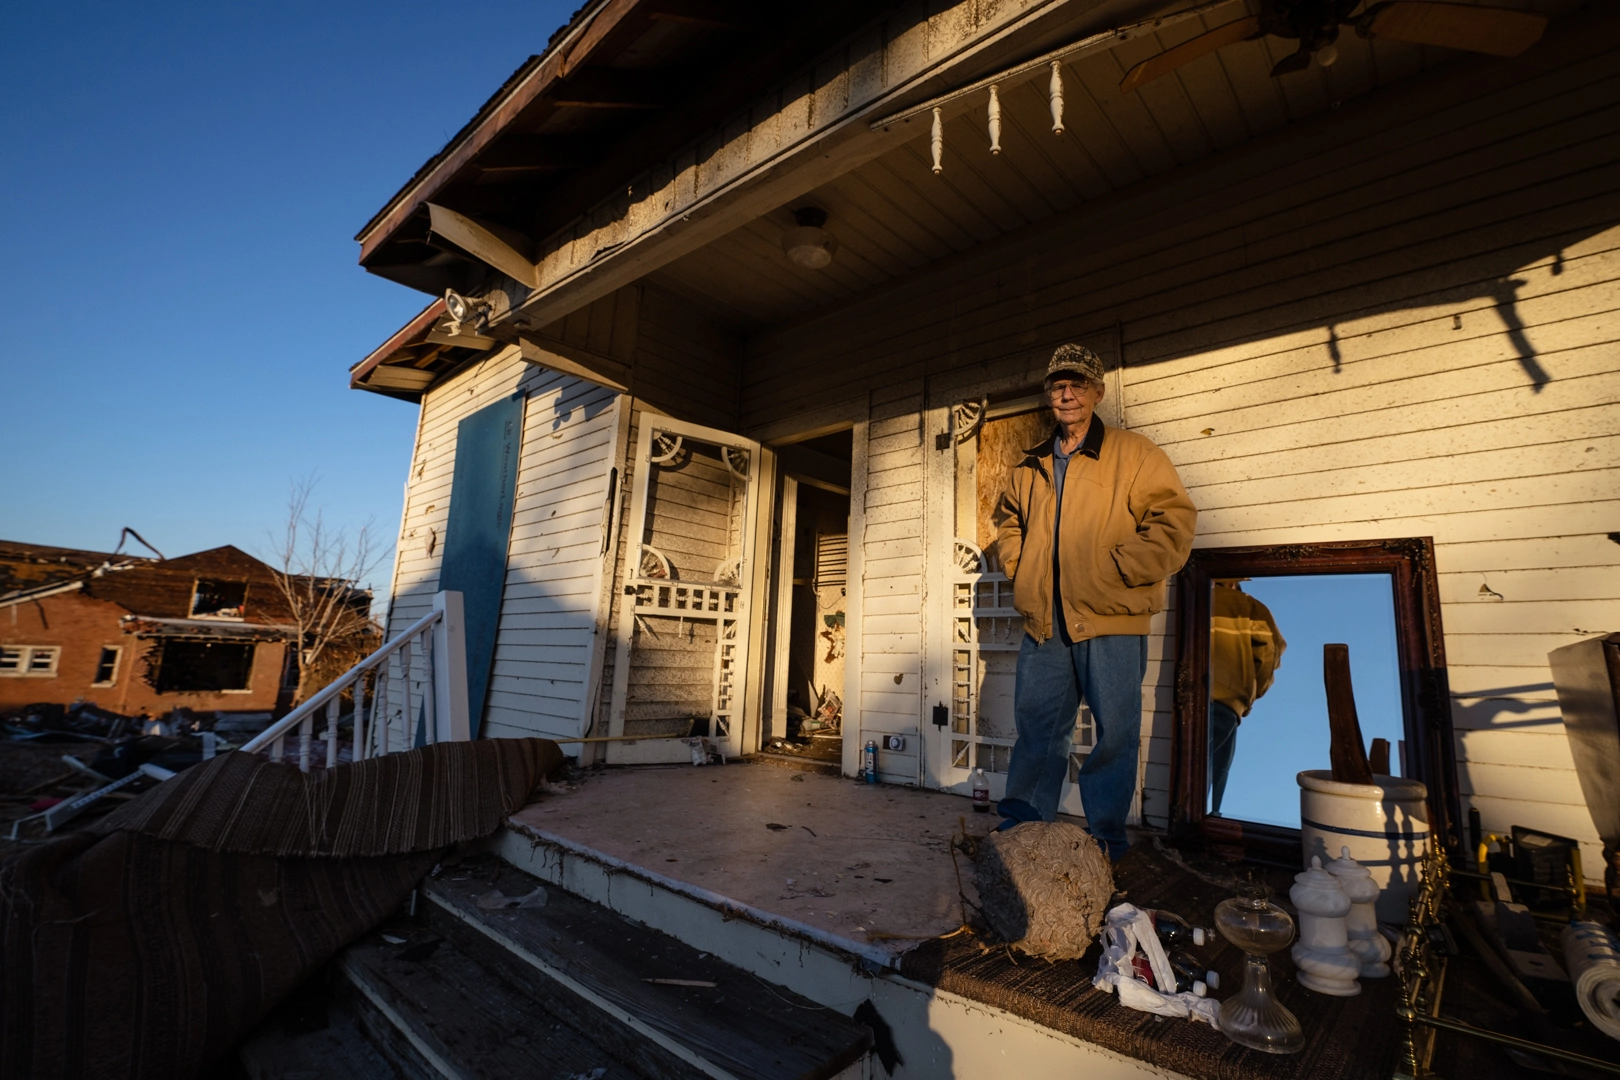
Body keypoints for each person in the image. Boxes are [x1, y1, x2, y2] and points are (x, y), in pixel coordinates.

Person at [991, 344, 1196, 859]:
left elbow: (1174, 523)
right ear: (1049, 395)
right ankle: (1022, 830)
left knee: (1116, 734)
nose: (1067, 393)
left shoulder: (1136, 454)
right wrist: (1021, 566)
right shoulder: (1029, 464)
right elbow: (1008, 522)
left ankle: (1105, 838)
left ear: (1097, 393)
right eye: (1059, 385)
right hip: (1046, 623)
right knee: (1038, 729)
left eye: (1078, 384)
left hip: (1112, 620)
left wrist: (1118, 569)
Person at [1208, 579, 1287, 814]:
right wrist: (1251, 695)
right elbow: (1269, 656)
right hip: (1227, 702)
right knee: (1215, 773)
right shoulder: (1250, 607)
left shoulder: (1190, 598)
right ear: (1234, 582)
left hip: (1185, 698)